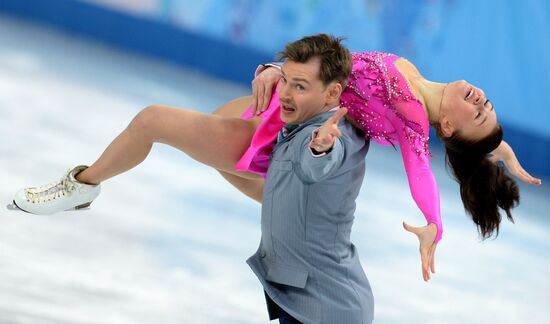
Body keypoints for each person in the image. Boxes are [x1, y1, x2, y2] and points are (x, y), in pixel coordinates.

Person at [13, 34, 541, 283]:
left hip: (282, 144)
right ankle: (278, 199)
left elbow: (420, 172)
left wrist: (435, 226)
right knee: (221, 124)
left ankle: (82, 184)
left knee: (153, 120)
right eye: (485, 100)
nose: (480, 100)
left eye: (478, 114)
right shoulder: (417, 77)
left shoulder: (411, 121)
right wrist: (500, 149)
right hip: (282, 122)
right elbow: (327, 61)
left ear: (446, 128)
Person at [246, 34, 372, 323]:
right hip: (310, 300)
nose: (285, 94)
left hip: (327, 307)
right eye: (286, 80)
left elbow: (315, 164)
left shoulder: (334, 136)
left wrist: (320, 146)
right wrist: (271, 69)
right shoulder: (302, 123)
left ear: (332, 94)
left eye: (299, 86)